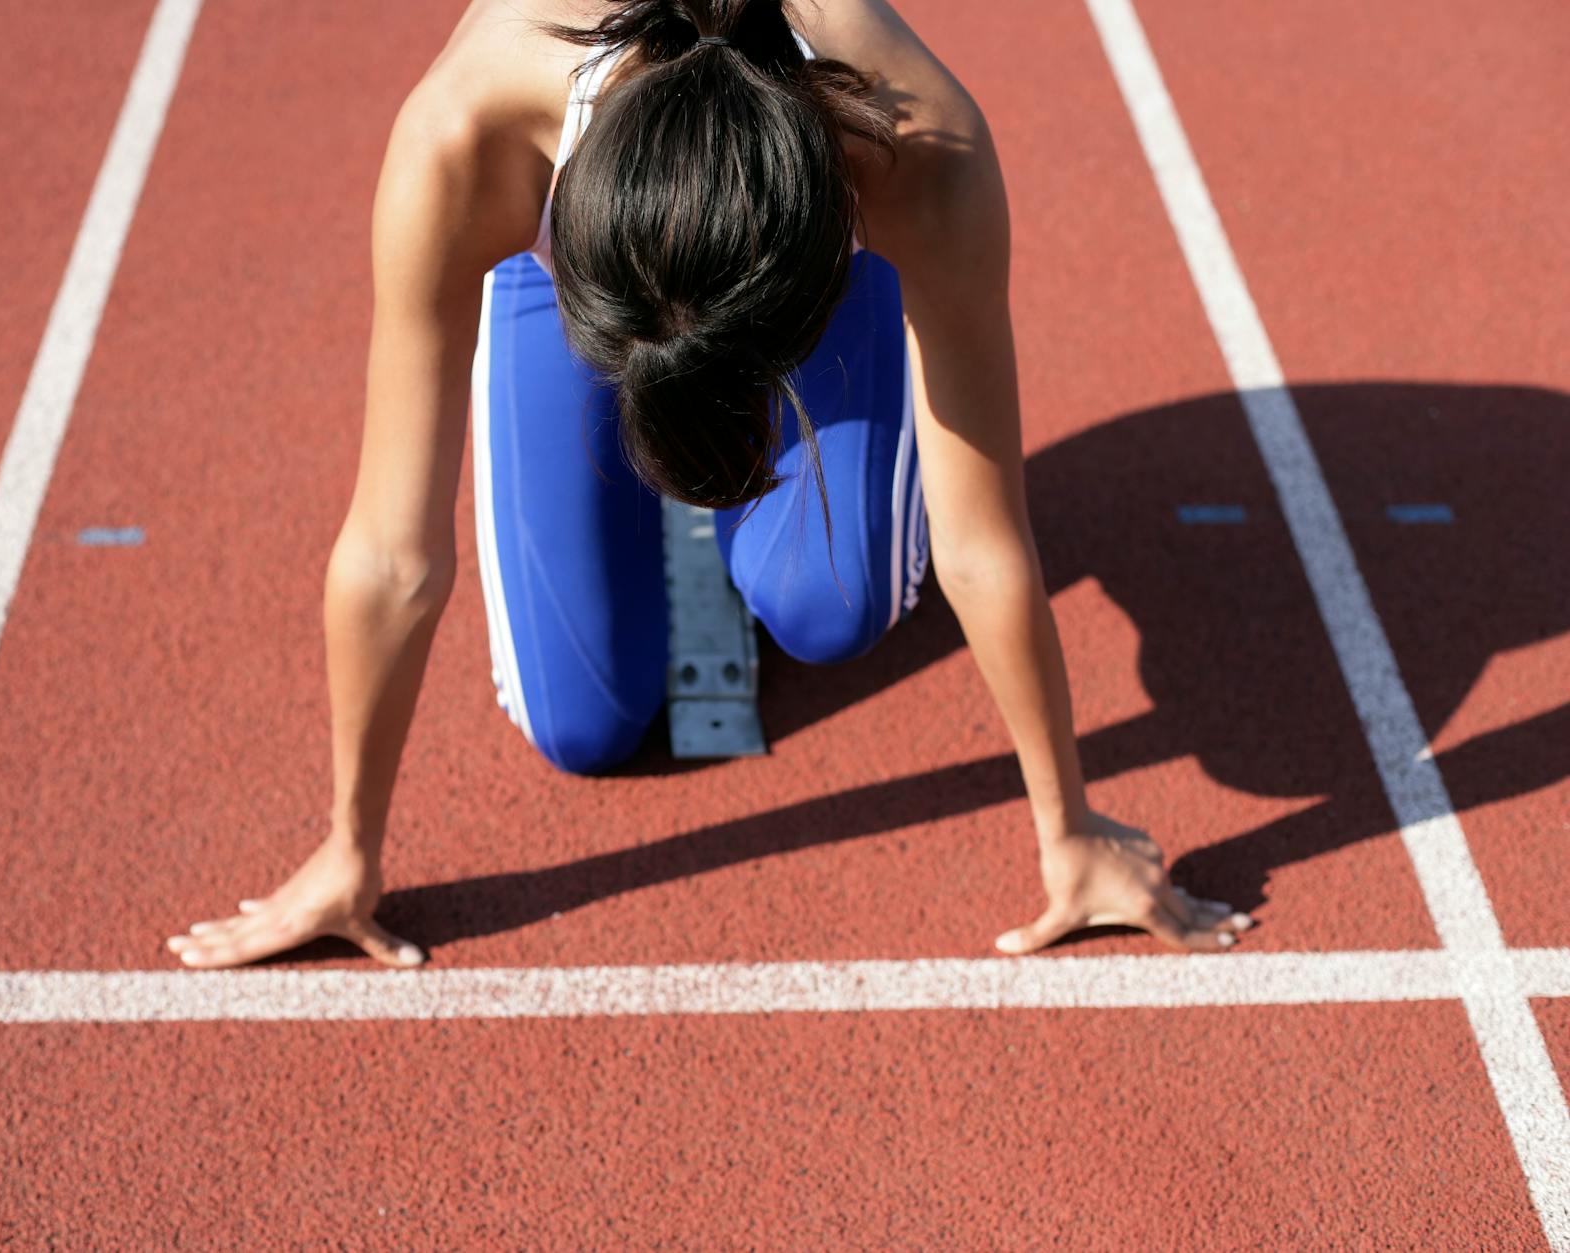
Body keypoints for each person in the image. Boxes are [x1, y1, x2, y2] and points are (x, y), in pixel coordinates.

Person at [166, 0, 1253, 970]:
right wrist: (348, 847)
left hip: (806, 247)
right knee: (581, 728)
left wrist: (1065, 829)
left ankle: (786, 445)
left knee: (834, 607)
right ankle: (625, 393)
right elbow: (392, 549)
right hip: (576, 259)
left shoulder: (916, 150)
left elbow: (981, 533)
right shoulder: (466, 139)